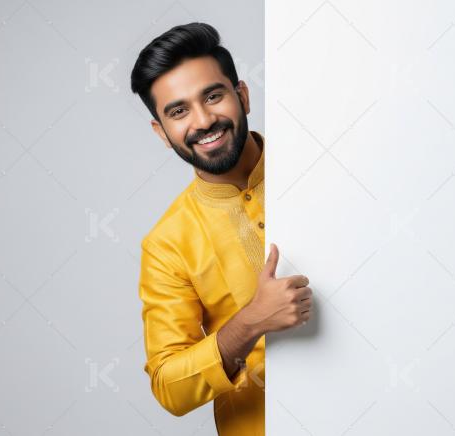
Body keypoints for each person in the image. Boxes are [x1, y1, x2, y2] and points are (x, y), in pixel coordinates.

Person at [130, 22, 313, 436]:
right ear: (162, 132)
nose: (204, 120)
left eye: (213, 96)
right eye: (178, 111)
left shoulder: (321, 168)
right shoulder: (166, 244)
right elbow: (169, 386)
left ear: (242, 95)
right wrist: (250, 323)